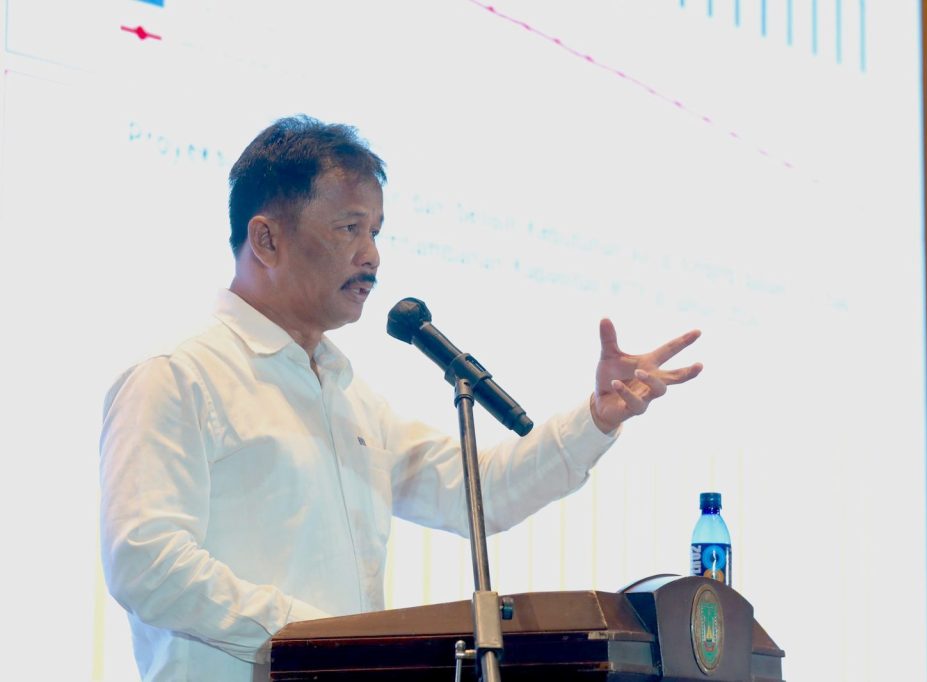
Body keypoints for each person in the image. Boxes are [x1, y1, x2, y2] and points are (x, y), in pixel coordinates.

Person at [99, 115, 702, 681]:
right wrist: (313, 639)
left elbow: (479, 492)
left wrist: (597, 419)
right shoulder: (177, 374)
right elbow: (146, 561)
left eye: (376, 232)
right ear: (267, 239)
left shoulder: (348, 396)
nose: (372, 255)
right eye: (349, 228)